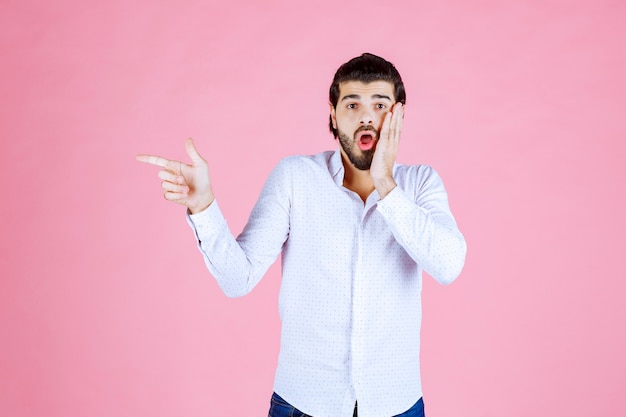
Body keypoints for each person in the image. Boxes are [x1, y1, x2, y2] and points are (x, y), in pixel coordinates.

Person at [137, 53, 467, 417]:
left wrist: (385, 182)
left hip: (396, 404)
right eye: (352, 103)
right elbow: (238, 278)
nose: (366, 116)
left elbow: (448, 265)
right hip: (302, 404)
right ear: (333, 113)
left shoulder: (420, 184)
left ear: (398, 115)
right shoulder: (295, 178)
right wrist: (203, 207)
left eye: (380, 104)